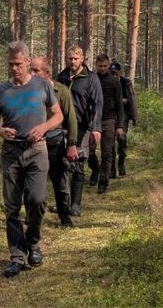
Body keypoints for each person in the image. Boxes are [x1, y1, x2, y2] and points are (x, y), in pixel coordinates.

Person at [0, 41, 64, 278]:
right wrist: (0, 131)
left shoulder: (42, 86)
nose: (14, 69)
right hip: (11, 153)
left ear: (28, 62)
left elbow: (58, 115)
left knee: (37, 200)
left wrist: (43, 128)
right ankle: (17, 256)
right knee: (11, 207)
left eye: (18, 64)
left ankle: (33, 243)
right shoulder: (0, 91)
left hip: (37, 150)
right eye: (11, 64)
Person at [31, 56, 81, 228]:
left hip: (55, 141)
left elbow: (71, 119)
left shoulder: (61, 91)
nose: (32, 74)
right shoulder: (28, 91)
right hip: (34, 143)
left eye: (36, 70)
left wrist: (72, 144)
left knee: (60, 181)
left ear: (47, 72)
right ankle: (33, 217)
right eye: (31, 70)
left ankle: (65, 217)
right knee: (33, 182)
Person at [56, 46, 102, 217]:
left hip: (82, 126)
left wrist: (96, 128)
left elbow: (98, 103)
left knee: (77, 162)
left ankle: (75, 204)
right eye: (70, 58)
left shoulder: (91, 78)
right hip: (61, 125)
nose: (72, 61)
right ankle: (63, 202)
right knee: (61, 164)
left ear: (82, 59)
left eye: (75, 58)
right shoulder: (61, 77)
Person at [92, 54, 126, 194]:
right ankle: (95, 169)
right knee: (89, 151)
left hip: (109, 119)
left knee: (107, 151)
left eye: (105, 66)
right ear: (96, 65)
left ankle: (103, 181)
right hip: (93, 120)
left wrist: (120, 126)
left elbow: (119, 105)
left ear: (108, 64)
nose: (102, 68)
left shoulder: (114, 82)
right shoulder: (91, 79)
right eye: (100, 66)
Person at [109, 61, 137, 178]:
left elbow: (131, 100)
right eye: (112, 73)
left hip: (123, 115)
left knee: (121, 139)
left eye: (115, 73)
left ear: (120, 73)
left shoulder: (126, 83)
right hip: (109, 115)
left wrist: (134, 117)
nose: (114, 76)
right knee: (109, 143)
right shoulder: (105, 82)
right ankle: (111, 168)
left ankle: (121, 163)